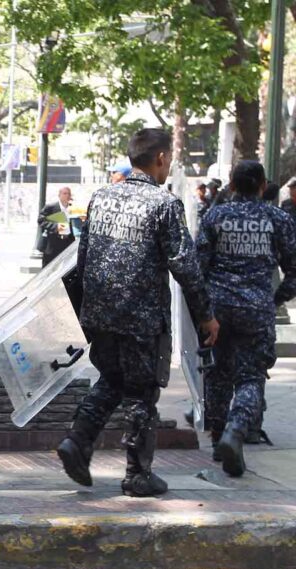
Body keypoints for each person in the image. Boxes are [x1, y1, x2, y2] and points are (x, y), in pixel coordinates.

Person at [55, 128, 218, 497]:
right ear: (160, 158)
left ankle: (77, 441)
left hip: (101, 314)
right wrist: (205, 315)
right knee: (142, 393)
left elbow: (83, 259)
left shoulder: (101, 197)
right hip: (142, 319)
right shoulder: (164, 204)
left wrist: (85, 312)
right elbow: (186, 267)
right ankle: (137, 473)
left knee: (112, 380)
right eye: (171, 157)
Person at [196, 160, 296, 476]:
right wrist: (273, 299)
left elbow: (198, 267)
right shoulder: (276, 217)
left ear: (233, 184)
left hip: (218, 310)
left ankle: (216, 440)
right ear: (263, 186)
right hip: (256, 309)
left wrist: (202, 310)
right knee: (251, 376)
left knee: (217, 374)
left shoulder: (214, 215)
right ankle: (237, 428)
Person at [38, 187, 76, 266]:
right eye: (65, 193)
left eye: (69, 193)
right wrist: (56, 227)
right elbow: (41, 220)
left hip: (67, 243)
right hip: (52, 243)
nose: (67, 195)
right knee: (48, 268)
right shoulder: (50, 207)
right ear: (59, 195)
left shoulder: (73, 208)